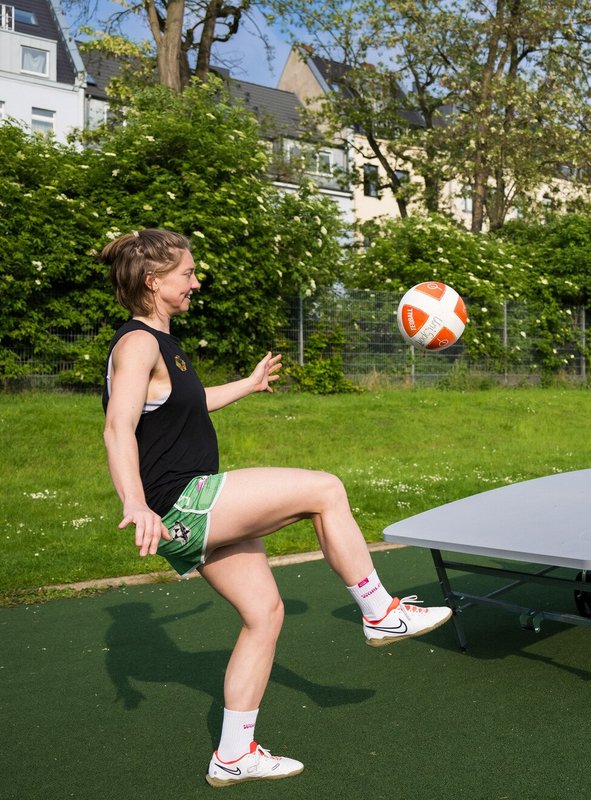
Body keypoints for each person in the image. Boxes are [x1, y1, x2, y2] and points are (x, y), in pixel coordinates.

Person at [100, 229, 452, 787]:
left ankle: (232, 755)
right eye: (188, 273)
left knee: (264, 616)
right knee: (326, 489)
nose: (196, 281)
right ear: (153, 281)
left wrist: (247, 383)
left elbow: (185, 406)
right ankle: (380, 611)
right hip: (184, 502)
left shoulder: (163, 345)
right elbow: (117, 426)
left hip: (187, 508)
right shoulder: (138, 342)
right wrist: (135, 503)